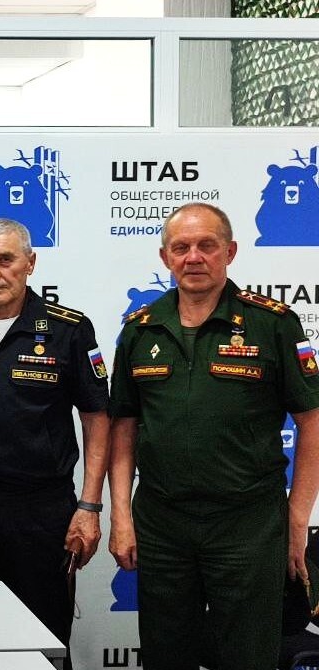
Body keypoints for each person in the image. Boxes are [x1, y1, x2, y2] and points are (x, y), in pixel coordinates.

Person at [107, 202, 319, 670]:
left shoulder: (272, 324)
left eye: (207, 245)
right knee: (166, 655)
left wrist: (297, 518)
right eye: (181, 247)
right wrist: (120, 514)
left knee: (247, 656)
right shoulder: (140, 330)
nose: (194, 257)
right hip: (162, 522)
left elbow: (312, 421)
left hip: (247, 524)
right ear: (165, 257)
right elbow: (123, 427)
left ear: (230, 252)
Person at [0, 218, 109, 666]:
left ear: (30, 263)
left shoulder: (69, 329)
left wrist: (89, 507)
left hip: (42, 510)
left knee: (44, 638)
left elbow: (97, 418)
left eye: (5, 259)